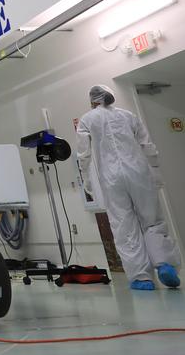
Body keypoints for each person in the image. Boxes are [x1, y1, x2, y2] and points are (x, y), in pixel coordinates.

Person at [75, 84, 181, 291]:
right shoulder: (128, 115)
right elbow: (147, 145)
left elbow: (83, 154)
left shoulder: (87, 119)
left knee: (124, 226)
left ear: (93, 100)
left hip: (112, 178)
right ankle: (165, 264)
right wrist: (156, 171)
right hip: (139, 172)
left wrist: (87, 180)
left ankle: (142, 278)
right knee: (152, 221)